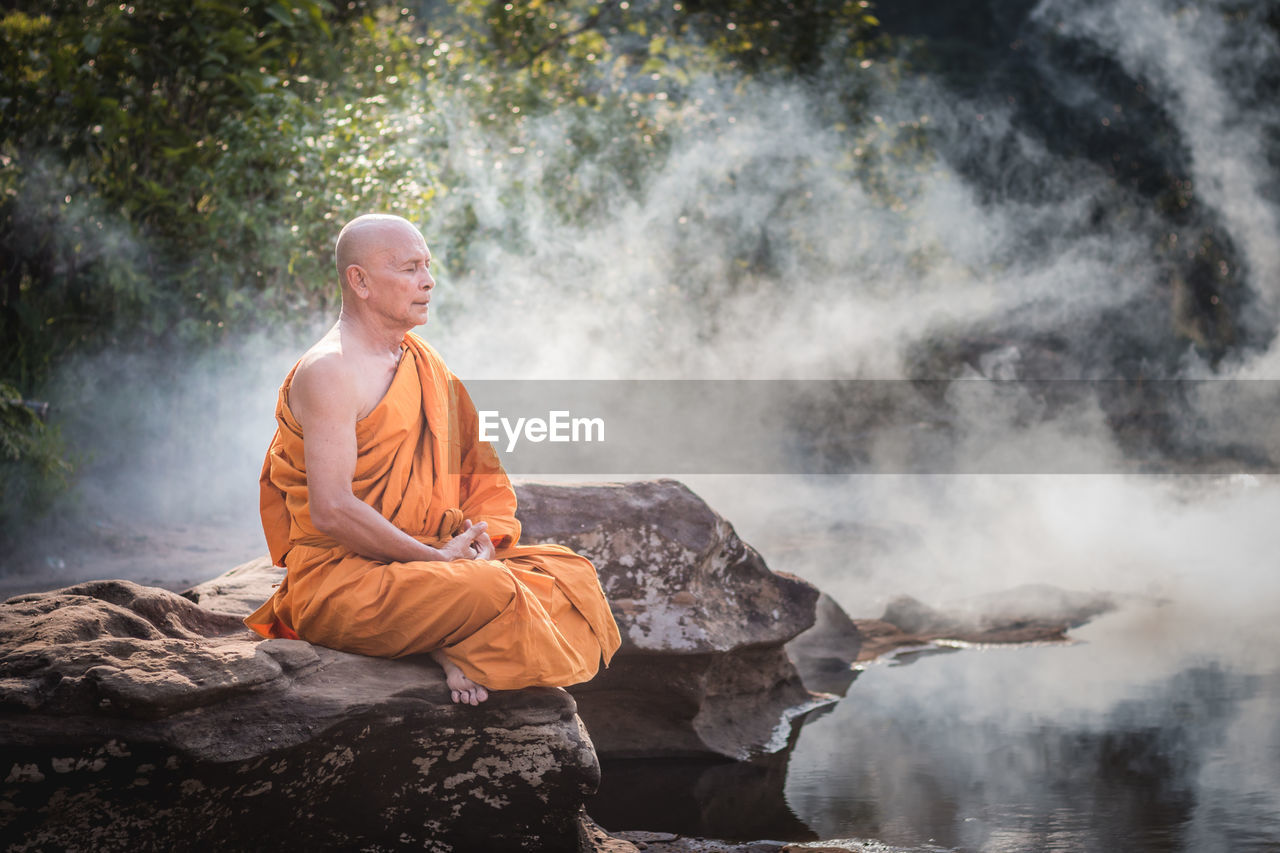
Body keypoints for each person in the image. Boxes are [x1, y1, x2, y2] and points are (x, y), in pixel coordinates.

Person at [244, 213, 621, 705]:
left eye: (427, 265)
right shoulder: (329, 371)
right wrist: (439, 561)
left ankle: (441, 639)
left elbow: (475, 470)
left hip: (428, 561)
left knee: (572, 577)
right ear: (359, 281)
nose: (428, 281)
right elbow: (331, 510)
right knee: (488, 591)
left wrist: (474, 539)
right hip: (346, 578)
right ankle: (449, 645)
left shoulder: (421, 361)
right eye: (408, 269)